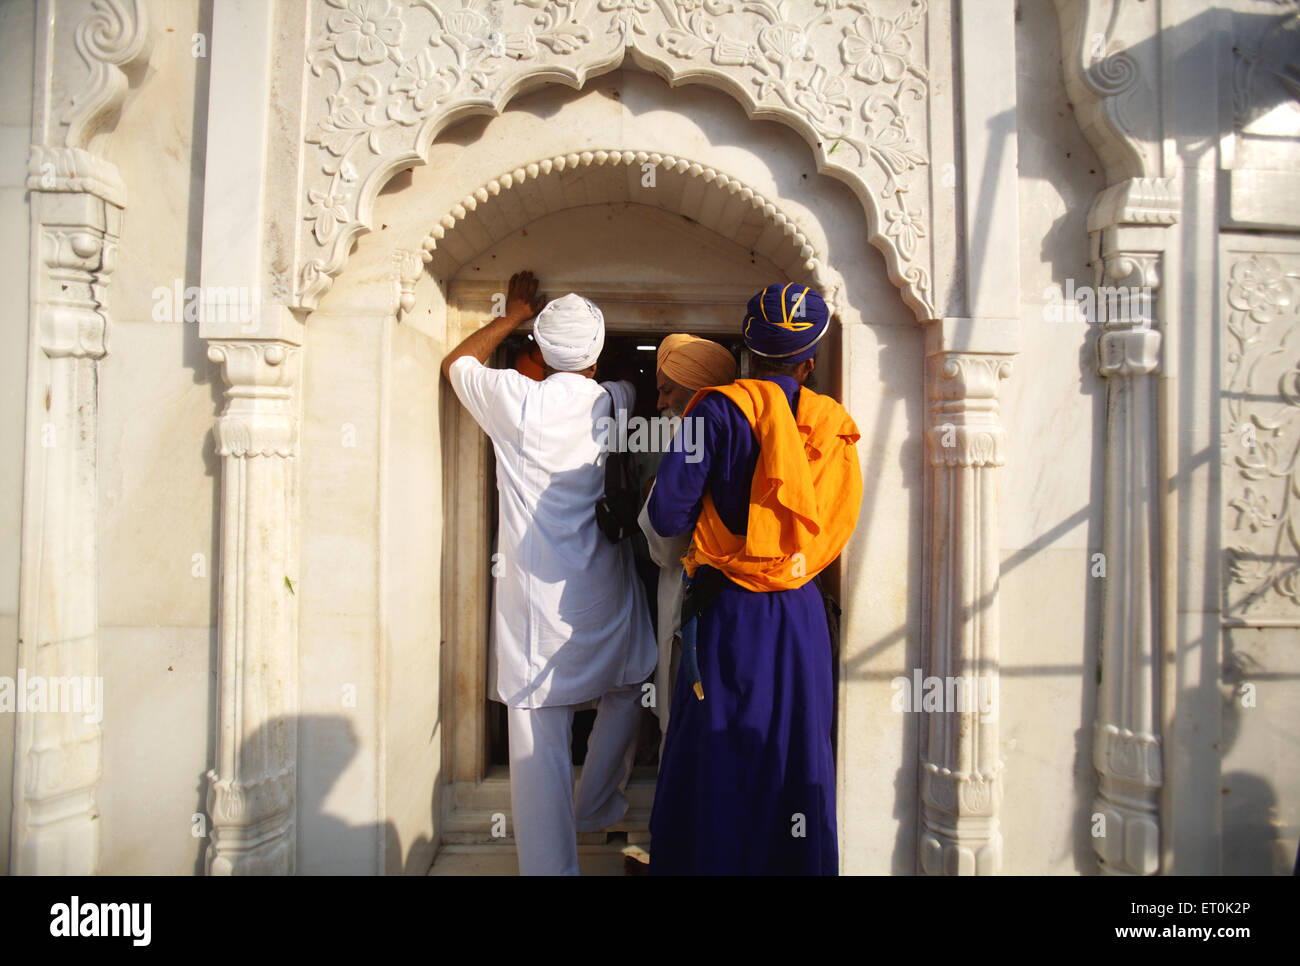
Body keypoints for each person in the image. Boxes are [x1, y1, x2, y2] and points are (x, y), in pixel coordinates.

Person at [641, 283, 862, 875]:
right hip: (798, 613)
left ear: (747, 347)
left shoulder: (714, 409)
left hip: (728, 613)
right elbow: (830, 525)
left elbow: (665, 514)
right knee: (792, 755)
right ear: (809, 362)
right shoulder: (834, 425)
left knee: (716, 751)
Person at [442, 271, 657, 875]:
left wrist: (511, 315)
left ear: (538, 350)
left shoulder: (515, 400)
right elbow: (629, 381)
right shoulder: (613, 400)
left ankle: (552, 864)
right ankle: (598, 804)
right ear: (594, 354)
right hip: (602, 587)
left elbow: (457, 362)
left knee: (540, 733)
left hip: (536, 599)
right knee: (634, 673)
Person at [635, 334, 737, 749]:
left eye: (666, 389)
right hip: (728, 603)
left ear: (697, 387)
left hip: (694, 598)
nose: (659, 403)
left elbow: (668, 547)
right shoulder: (739, 431)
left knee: (684, 726)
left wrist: (653, 498)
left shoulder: (692, 442)